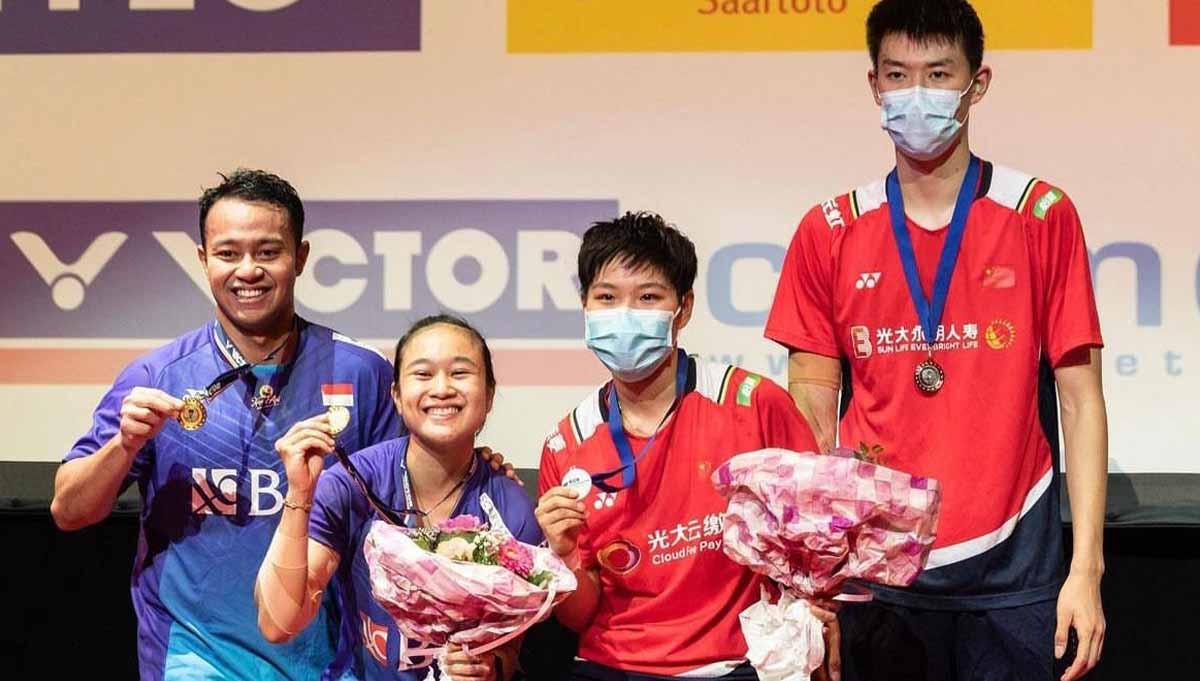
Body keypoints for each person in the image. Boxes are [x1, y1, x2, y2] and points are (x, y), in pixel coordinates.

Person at [764, 2, 1108, 679]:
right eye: (898, 74)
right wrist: (811, 584)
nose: (916, 94)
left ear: (977, 84)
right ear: (874, 87)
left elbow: (1082, 401)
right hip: (878, 579)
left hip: (1014, 577)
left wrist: (1087, 569)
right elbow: (808, 415)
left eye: (938, 74)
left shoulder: (1041, 214)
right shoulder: (828, 229)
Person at [49, 169, 404, 680]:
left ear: (300, 258)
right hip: (193, 661)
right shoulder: (158, 376)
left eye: (267, 252)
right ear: (202, 260)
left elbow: (406, 516)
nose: (247, 270)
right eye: (228, 253)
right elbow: (69, 510)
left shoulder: (361, 373)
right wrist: (124, 446)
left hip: (327, 663)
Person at [535, 212, 824, 680]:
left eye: (648, 297)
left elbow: (817, 541)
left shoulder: (754, 404)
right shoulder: (565, 445)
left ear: (683, 309)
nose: (624, 315)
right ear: (585, 307)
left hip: (736, 665)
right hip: (609, 667)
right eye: (606, 298)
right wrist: (563, 553)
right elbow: (578, 616)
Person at [255, 314, 539, 681]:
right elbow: (279, 623)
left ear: (489, 396)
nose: (442, 389)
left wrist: (489, 666)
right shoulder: (351, 485)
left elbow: (510, 651)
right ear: (396, 396)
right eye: (422, 374)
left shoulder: (510, 508)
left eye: (460, 373)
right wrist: (299, 493)